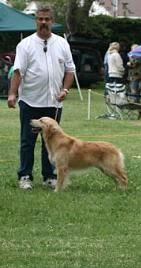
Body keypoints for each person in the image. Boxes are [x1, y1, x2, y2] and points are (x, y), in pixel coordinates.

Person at [7, 5, 75, 190]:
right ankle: (25, 176)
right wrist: (13, 93)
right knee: (27, 141)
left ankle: (49, 176)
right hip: (30, 101)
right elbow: (18, 71)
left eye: (47, 19)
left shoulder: (62, 43)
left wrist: (65, 90)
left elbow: (70, 70)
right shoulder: (25, 44)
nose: (43, 22)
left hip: (53, 103)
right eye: (40, 19)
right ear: (35, 21)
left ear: (52, 21)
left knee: (52, 143)